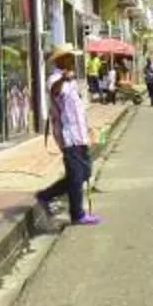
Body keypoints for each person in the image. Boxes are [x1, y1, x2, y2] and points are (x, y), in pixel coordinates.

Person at [33, 47, 101, 228]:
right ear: (60, 60)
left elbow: (78, 108)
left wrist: (89, 128)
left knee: (84, 173)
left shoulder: (71, 80)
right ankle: (76, 214)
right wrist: (63, 78)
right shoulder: (56, 79)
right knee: (76, 176)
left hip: (80, 134)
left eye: (72, 57)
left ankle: (46, 195)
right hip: (69, 136)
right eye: (69, 57)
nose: (72, 60)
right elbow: (55, 91)